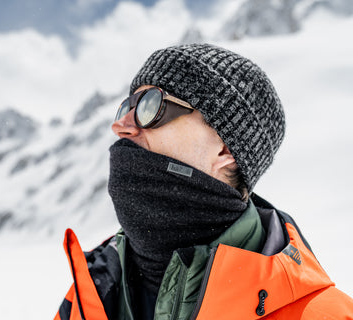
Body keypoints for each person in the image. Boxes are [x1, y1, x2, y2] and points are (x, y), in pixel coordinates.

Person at [54, 43, 353, 320]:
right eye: (126, 108)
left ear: (225, 148)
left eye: (150, 105)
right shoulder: (86, 300)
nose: (120, 126)